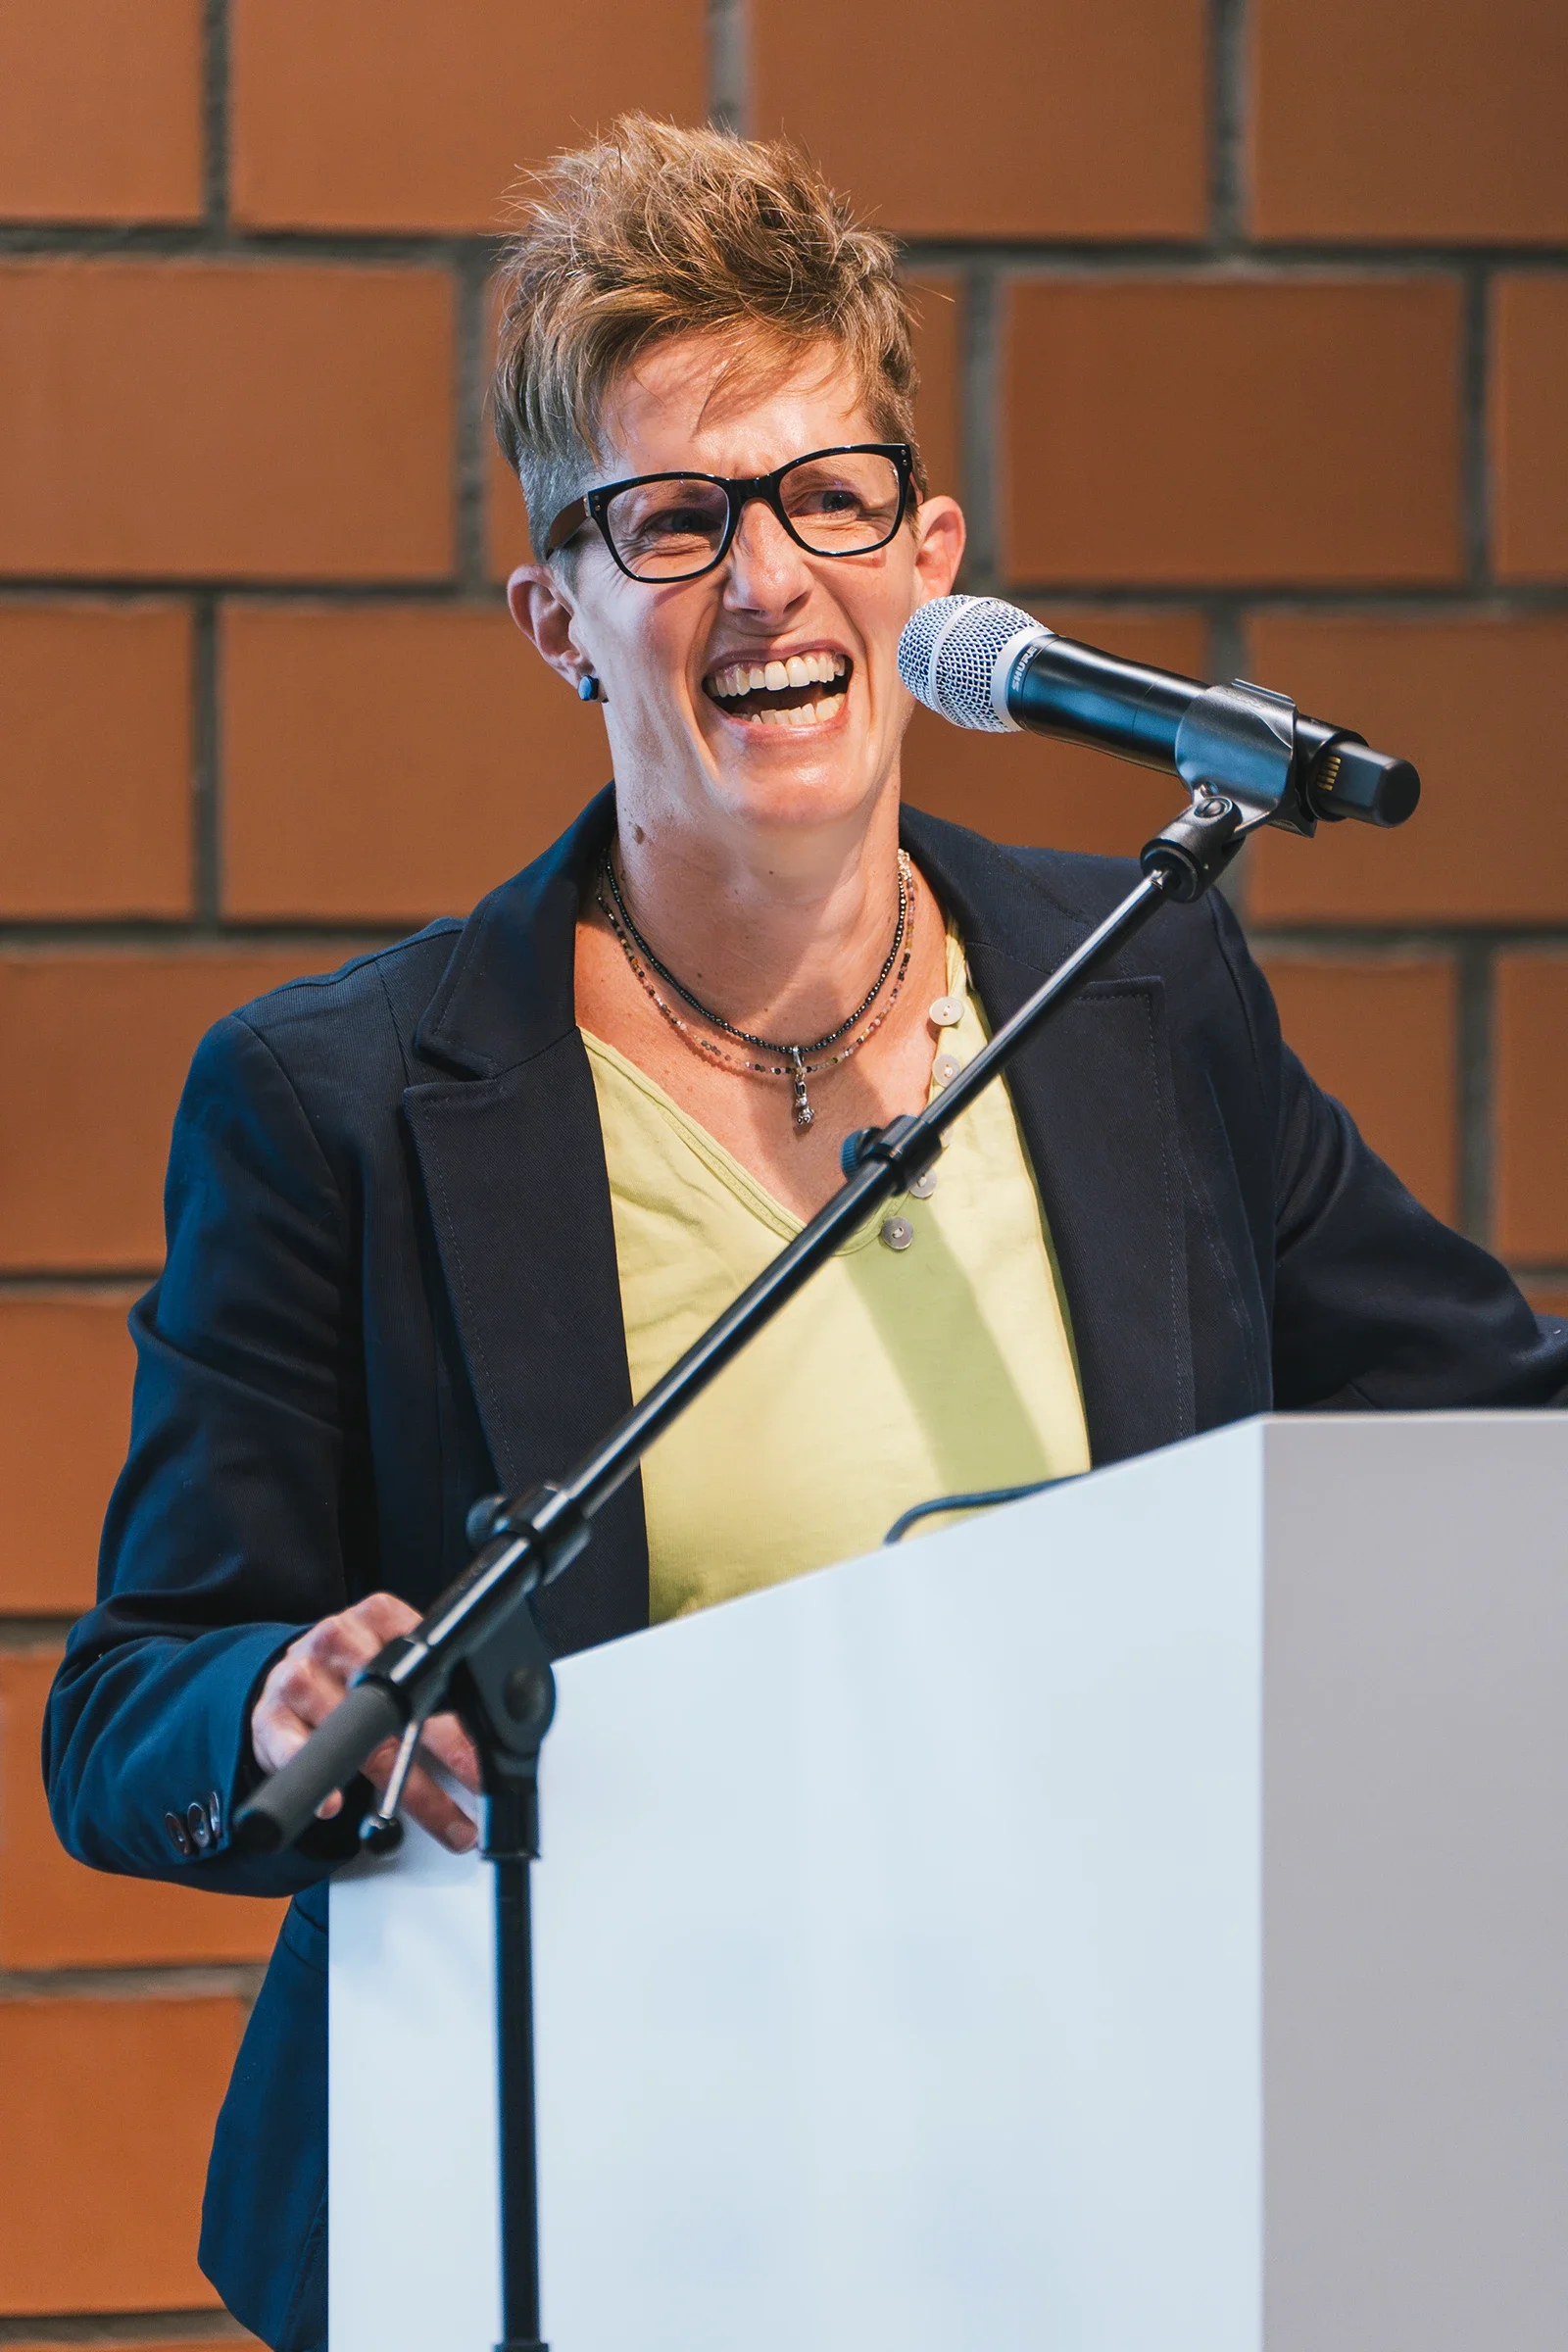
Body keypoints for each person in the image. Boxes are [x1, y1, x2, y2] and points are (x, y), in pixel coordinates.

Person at [43, 118, 1567, 2352]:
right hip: (585, 2207)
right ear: (557, 619)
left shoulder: (1134, 992)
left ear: (929, 563)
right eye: (674, 522)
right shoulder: (334, 1103)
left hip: (1094, 2185)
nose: (766, 579)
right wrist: (282, 1699)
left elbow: (1487, 1436)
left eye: (828, 498)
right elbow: (127, 1709)